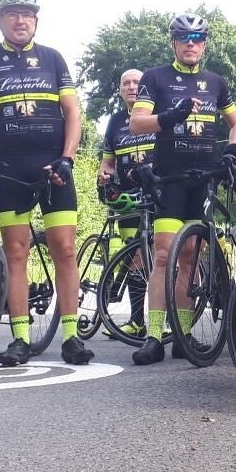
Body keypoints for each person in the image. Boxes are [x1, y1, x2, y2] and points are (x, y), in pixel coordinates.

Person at [0, 0, 89, 367]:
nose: (20, 21)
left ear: (36, 20)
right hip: (11, 168)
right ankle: (20, 338)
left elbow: (73, 113)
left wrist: (67, 158)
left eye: (27, 14)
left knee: (65, 249)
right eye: (12, 14)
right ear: (0, 20)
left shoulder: (52, 58)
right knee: (15, 253)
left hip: (53, 167)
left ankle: (71, 337)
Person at [128, 13, 236, 365]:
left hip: (204, 178)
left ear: (204, 44)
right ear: (174, 43)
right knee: (164, 254)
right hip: (170, 178)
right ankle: (153, 336)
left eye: (197, 38)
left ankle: (183, 333)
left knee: (191, 257)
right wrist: (170, 117)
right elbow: (136, 123)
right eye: (184, 38)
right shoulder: (156, 78)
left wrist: (233, 149)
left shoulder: (215, 82)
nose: (191, 44)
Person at [98, 68, 154, 338]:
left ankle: (165, 320)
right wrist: (104, 176)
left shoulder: (158, 113)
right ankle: (137, 321)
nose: (131, 87)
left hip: (158, 193)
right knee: (134, 256)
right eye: (126, 83)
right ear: (120, 90)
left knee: (161, 256)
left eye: (137, 82)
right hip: (128, 197)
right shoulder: (115, 121)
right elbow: (108, 161)